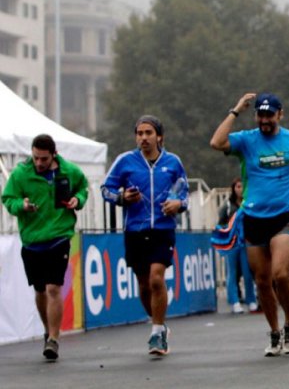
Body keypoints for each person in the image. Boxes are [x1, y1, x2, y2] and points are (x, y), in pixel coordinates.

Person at [210, 93, 289, 356]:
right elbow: (216, 142)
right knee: (261, 281)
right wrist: (236, 110)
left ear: (280, 115)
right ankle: (274, 332)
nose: (264, 120)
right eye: (260, 115)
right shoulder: (247, 140)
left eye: (269, 115)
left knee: (280, 274)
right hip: (254, 218)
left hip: (284, 216)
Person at [102, 115, 188, 356]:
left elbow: (185, 194)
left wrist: (177, 204)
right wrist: (122, 198)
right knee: (143, 284)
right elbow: (105, 190)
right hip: (135, 230)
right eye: (139, 133)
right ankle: (159, 322)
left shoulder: (172, 162)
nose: (143, 138)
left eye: (148, 133)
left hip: (162, 229)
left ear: (159, 136)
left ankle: (157, 332)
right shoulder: (125, 161)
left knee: (156, 279)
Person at [2, 134, 88, 360]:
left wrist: (77, 200)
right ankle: (48, 329)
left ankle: (54, 338)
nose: (39, 163)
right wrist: (22, 205)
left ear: (54, 155)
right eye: (36, 158)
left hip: (59, 236)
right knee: (40, 291)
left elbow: (83, 188)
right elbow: (7, 199)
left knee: (53, 288)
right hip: (31, 240)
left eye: (44, 159)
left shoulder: (69, 171)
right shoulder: (21, 174)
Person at [218, 178, 257, 314]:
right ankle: (234, 301)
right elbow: (221, 223)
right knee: (232, 273)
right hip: (232, 243)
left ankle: (251, 300)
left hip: (246, 242)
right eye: (237, 186)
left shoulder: (250, 203)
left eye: (242, 186)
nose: (239, 189)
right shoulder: (228, 205)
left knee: (248, 272)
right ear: (234, 188)